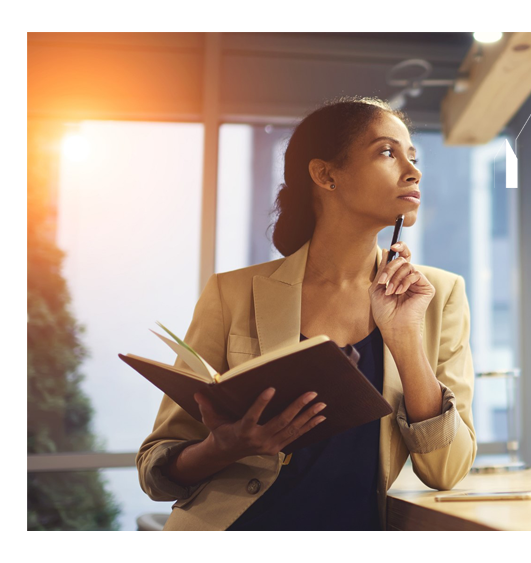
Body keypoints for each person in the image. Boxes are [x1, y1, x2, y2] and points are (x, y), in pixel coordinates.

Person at [135, 95, 477, 531]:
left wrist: (405, 339)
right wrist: (224, 447)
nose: (414, 171)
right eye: (387, 152)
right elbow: (155, 468)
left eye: (412, 155)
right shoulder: (232, 293)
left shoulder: (438, 295)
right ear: (326, 175)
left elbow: (446, 471)